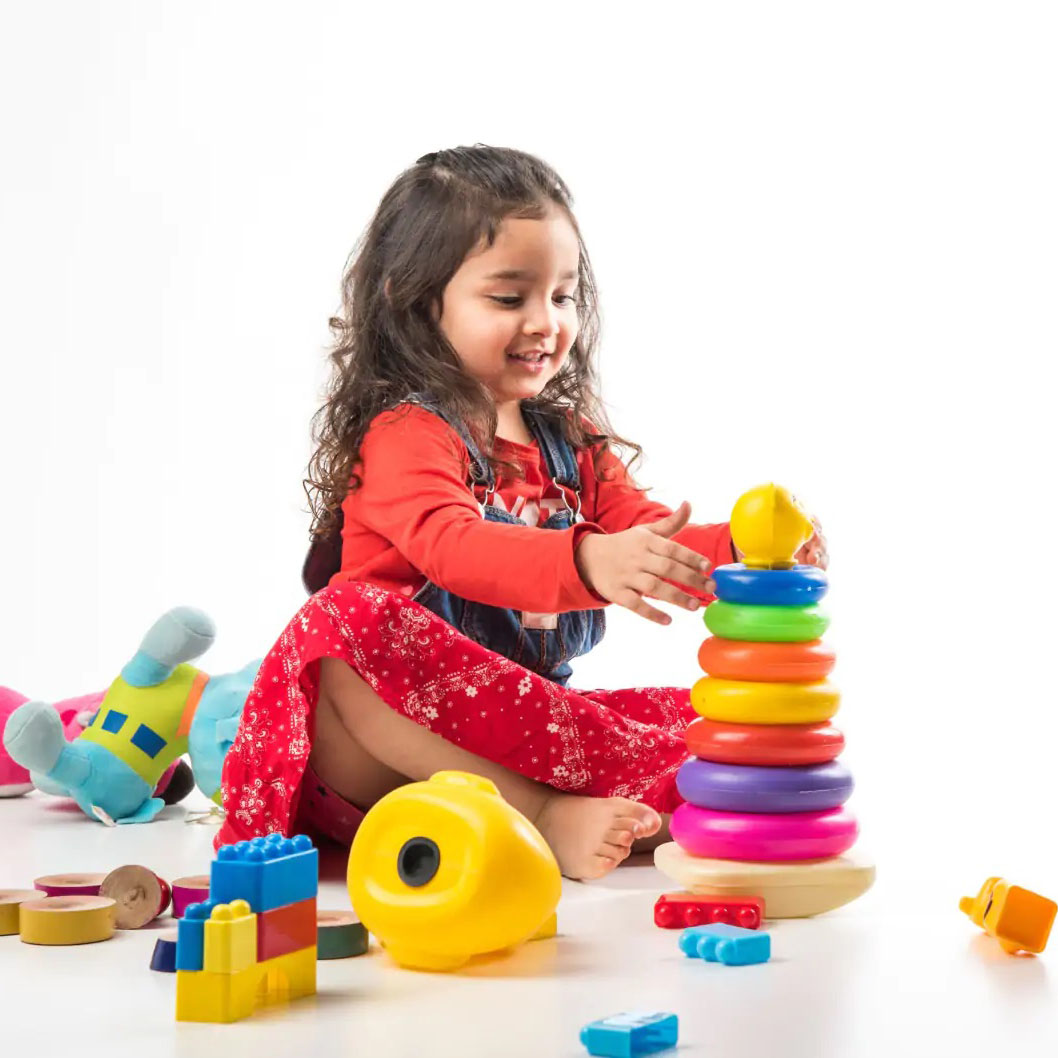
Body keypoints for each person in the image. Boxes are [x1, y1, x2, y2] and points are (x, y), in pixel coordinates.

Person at [216, 145, 827, 880]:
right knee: (344, 621)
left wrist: (743, 551)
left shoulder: (569, 443)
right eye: (510, 299)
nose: (546, 322)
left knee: (705, 724)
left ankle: (613, 810)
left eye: (563, 296)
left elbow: (648, 538)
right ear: (414, 302)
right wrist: (584, 561)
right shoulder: (407, 434)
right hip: (382, 756)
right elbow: (455, 546)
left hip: (509, 730)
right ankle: (537, 815)